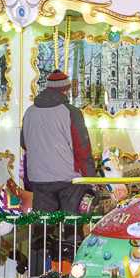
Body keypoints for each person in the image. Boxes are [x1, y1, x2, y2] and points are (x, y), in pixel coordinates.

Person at [21, 70, 95, 213]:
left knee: (43, 223)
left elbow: (24, 143)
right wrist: (90, 180)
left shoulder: (29, 112)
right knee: (71, 223)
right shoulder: (71, 112)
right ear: (66, 91)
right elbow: (82, 149)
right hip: (69, 180)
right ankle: (69, 235)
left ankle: (41, 235)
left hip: (39, 178)